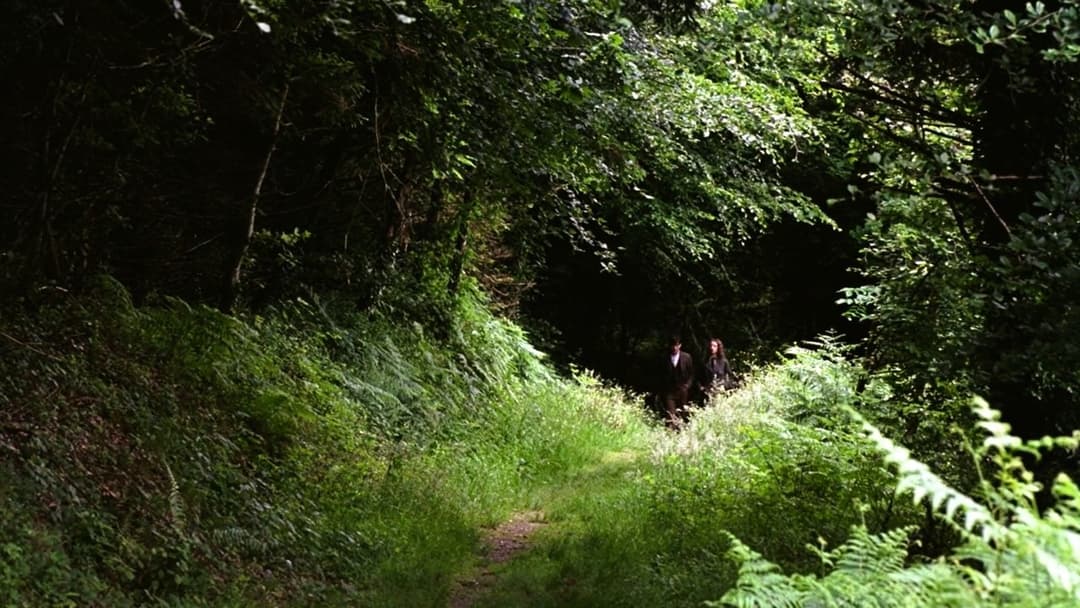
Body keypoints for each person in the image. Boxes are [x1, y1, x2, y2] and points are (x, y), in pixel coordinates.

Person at [659, 335, 695, 428]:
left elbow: (691, 374)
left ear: (680, 345)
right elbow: (661, 374)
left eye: (676, 345)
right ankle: (671, 432)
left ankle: (682, 431)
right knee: (670, 414)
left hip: (683, 390)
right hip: (669, 391)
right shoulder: (664, 358)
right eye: (673, 345)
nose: (674, 348)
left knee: (682, 413)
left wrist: (687, 386)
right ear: (670, 346)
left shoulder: (686, 357)